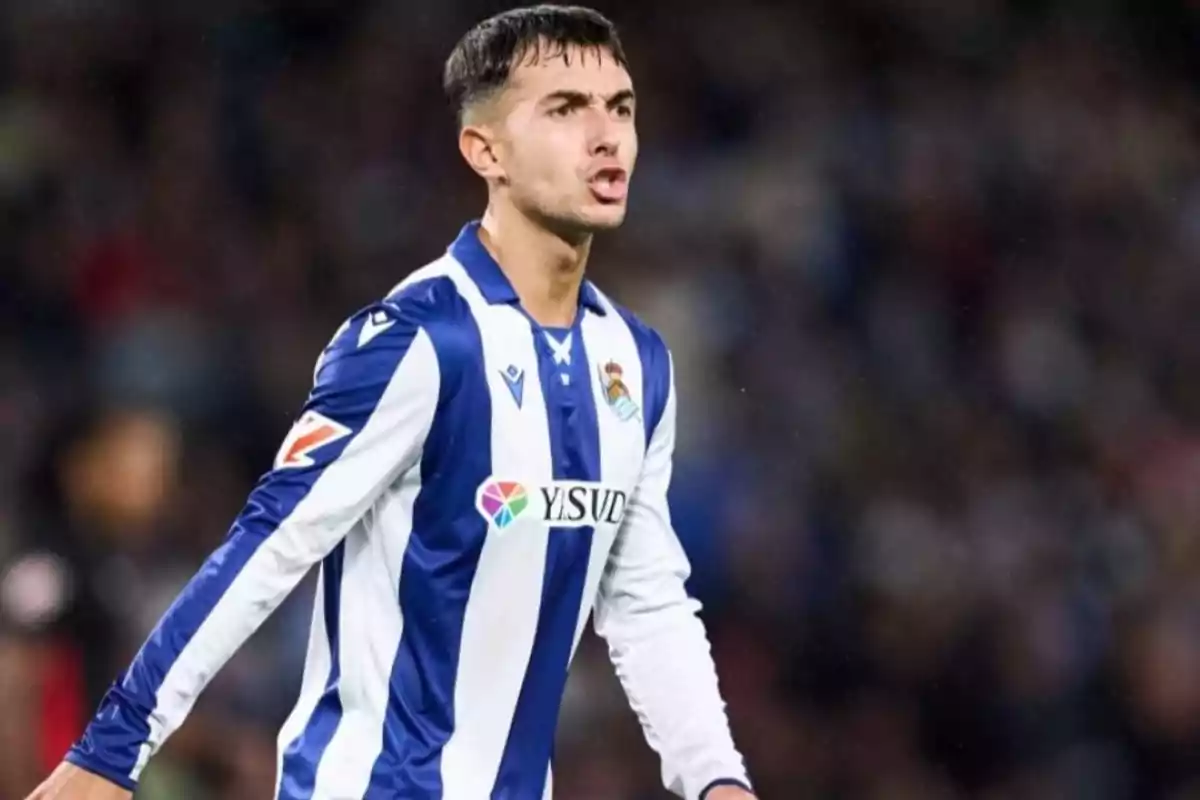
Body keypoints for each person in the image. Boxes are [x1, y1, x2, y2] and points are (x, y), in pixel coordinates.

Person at [28, 5, 755, 799]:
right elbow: (274, 543)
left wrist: (716, 779)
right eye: (565, 109)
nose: (607, 135)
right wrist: (112, 750)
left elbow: (646, 600)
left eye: (620, 107)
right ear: (486, 151)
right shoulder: (419, 339)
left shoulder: (638, 363)